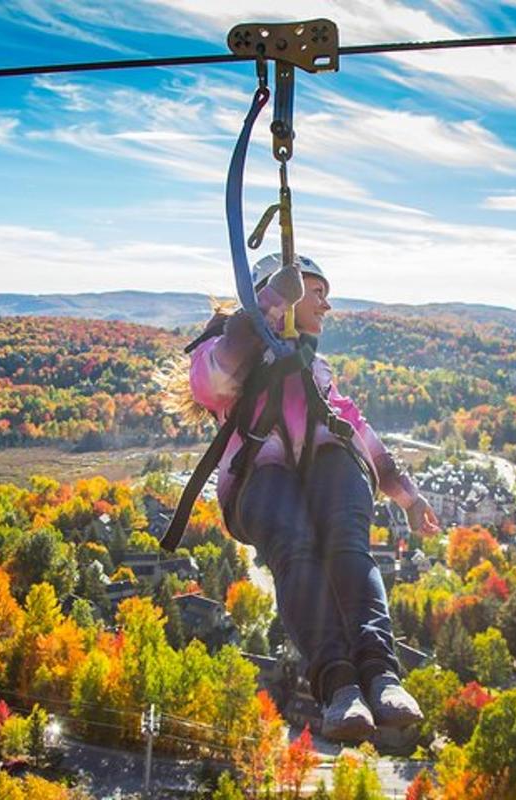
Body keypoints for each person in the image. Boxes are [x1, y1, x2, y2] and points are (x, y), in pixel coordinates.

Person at [184, 253, 440, 742]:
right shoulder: (232, 352)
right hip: (260, 480)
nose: (326, 306)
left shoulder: (315, 369)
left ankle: (380, 673)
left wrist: (406, 495)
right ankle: (339, 683)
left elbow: (356, 428)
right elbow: (211, 381)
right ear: (290, 295)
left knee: (347, 541)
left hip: (323, 468)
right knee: (295, 547)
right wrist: (270, 303)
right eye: (317, 293)